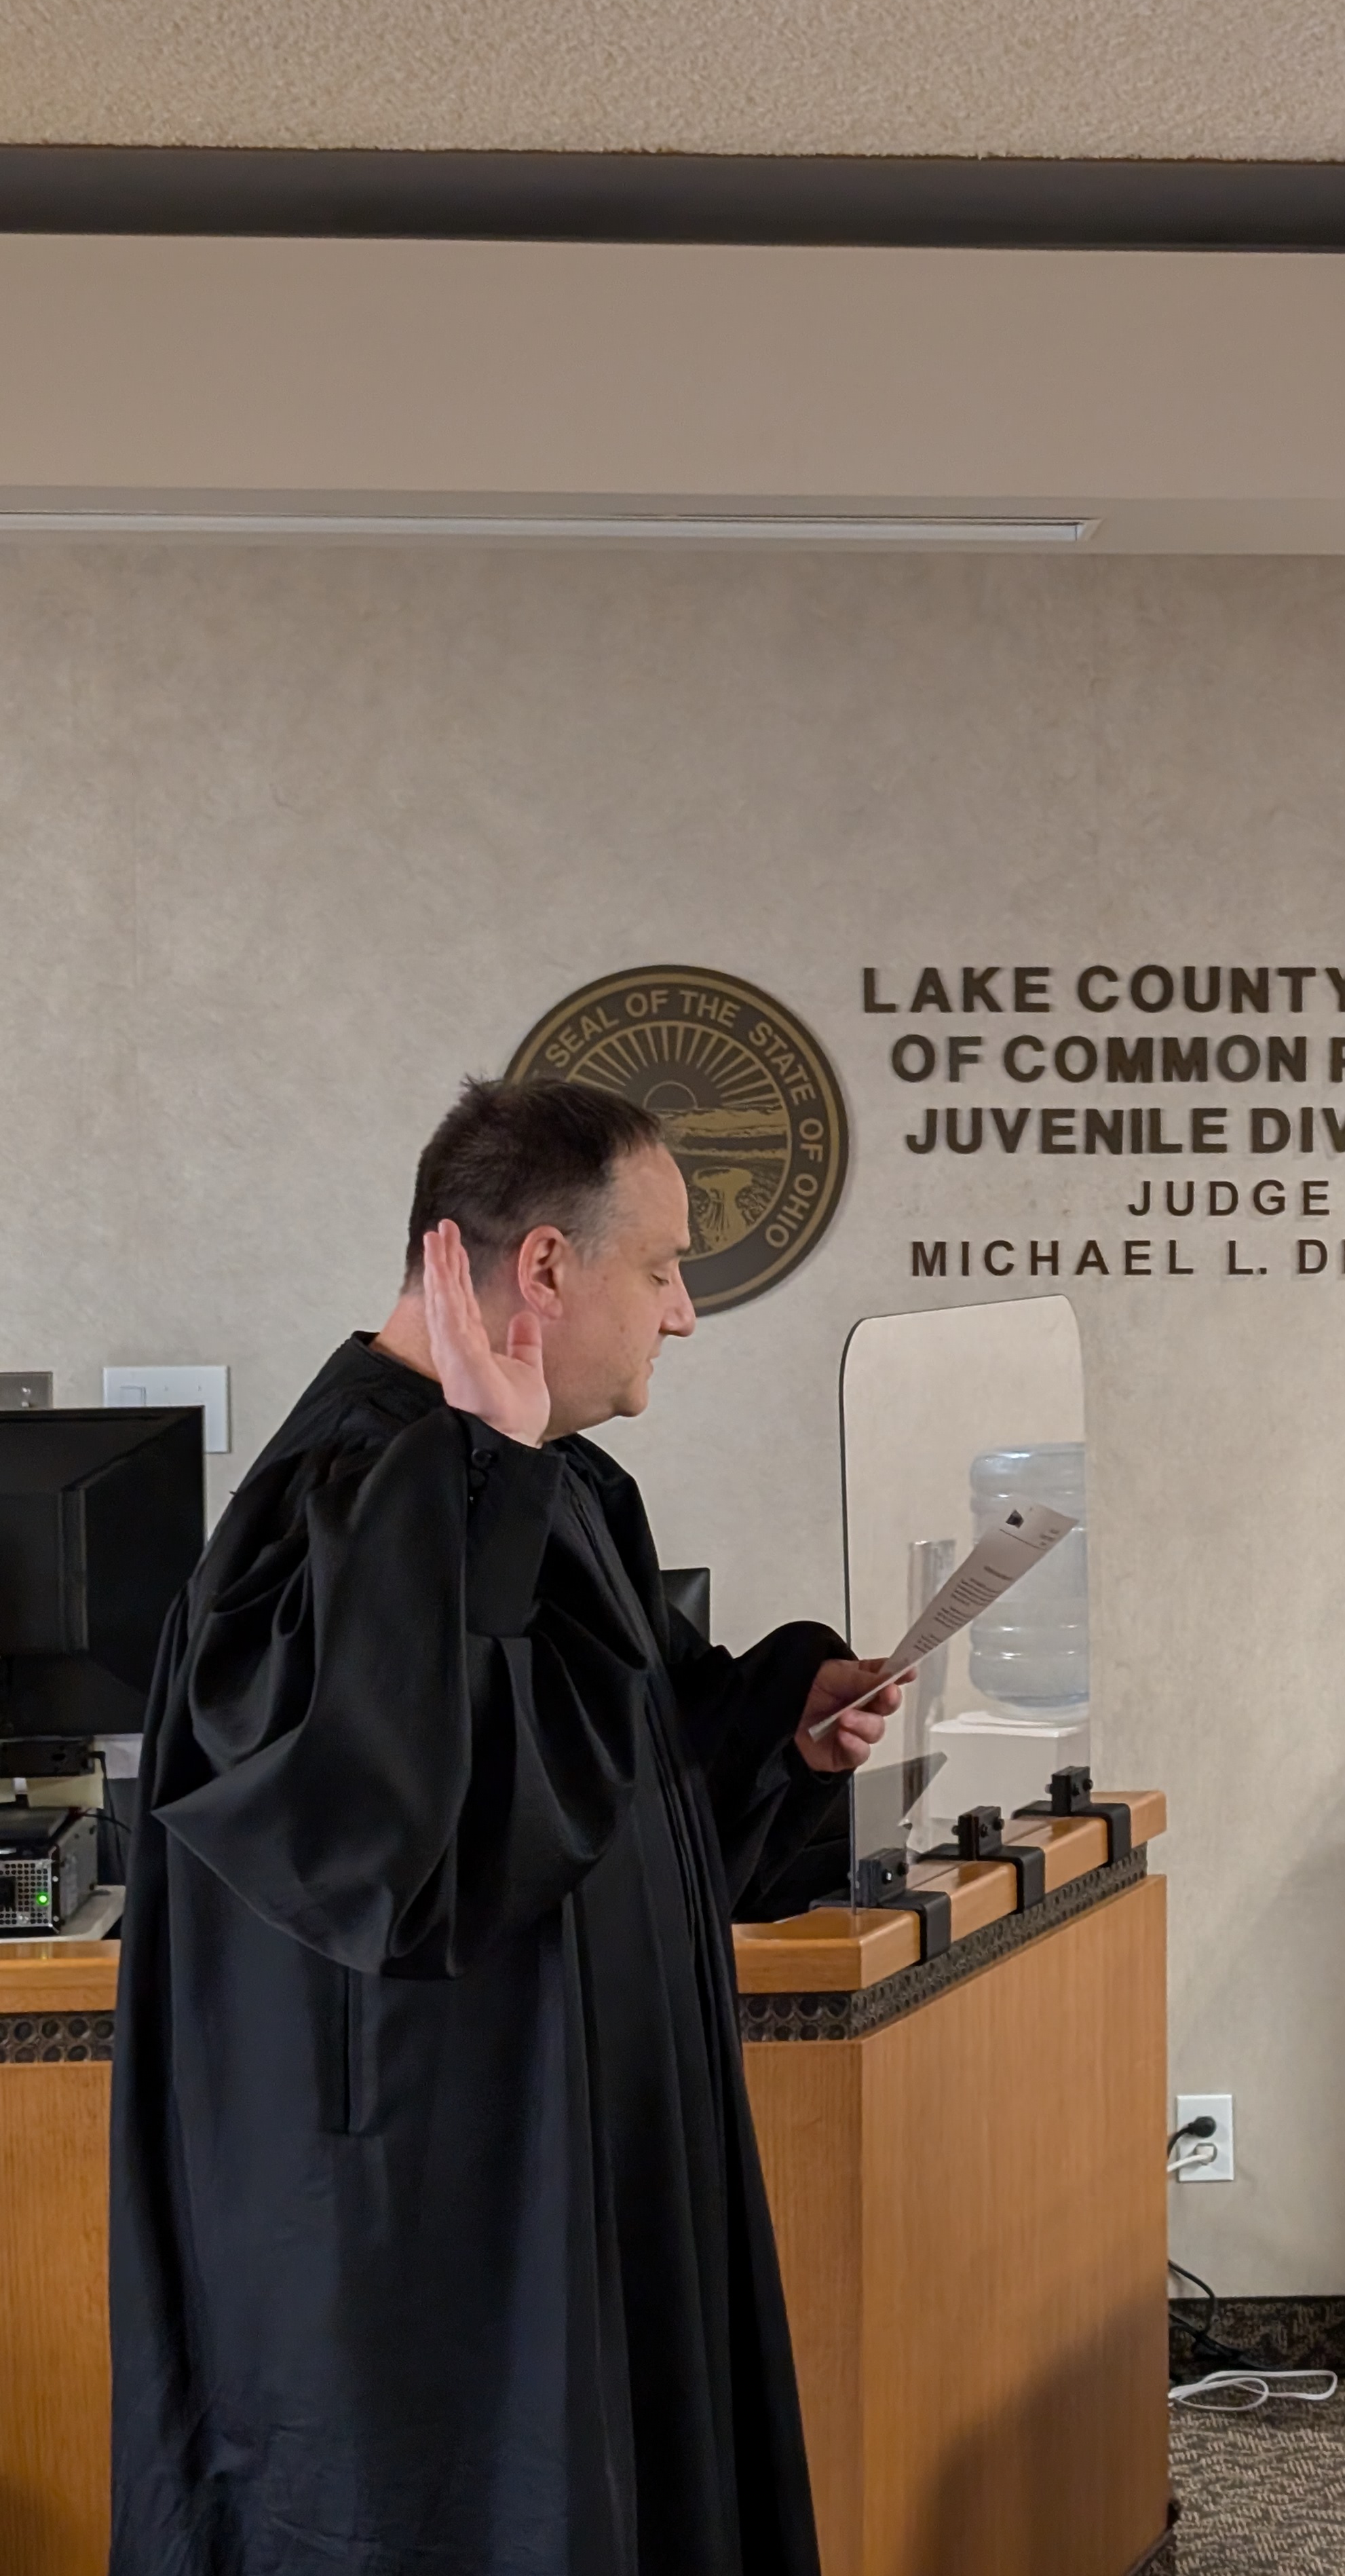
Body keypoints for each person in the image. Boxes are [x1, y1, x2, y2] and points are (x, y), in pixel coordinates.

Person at [110, 1079, 900, 2576]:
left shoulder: (546, 1484)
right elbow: (386, 1847)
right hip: (429, 2235)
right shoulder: (336, 1496)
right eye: (663, 1270)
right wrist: (487, 1491)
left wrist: (780, 1732)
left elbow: (596, 1780)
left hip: (576, 2180)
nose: (681, 1317)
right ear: (544, 1269)